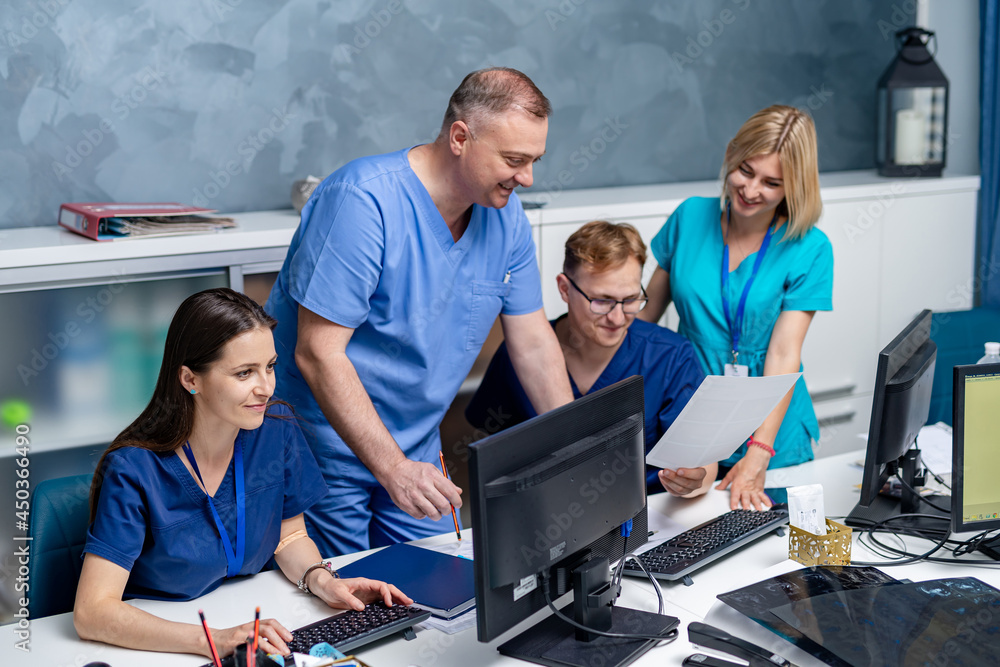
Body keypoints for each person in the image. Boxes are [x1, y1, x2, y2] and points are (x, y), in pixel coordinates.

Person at [265, 67, 574, 557]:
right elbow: (317, 353)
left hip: (416, 451)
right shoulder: (362, 202)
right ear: (460, 137)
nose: (528, 178)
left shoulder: (505, 215)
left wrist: (576, 446)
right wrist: (391, 468)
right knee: (346, 603)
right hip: (322, 449)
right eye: (514, 159)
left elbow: (533, 344)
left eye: (534, 160)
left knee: (439, 587)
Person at [74, 288, 411, 660]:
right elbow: (93, 612)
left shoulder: (275, 428)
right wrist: (213, 640)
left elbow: (290, 534)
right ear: (190, 379)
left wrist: (323, 581)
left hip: (253, 620)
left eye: (269, 366)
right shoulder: (134, 469)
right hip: (163, 646)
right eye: (244, 373)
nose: (265, 388)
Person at [638, 105, 833, 511]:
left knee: (772, 556)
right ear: (731, 155)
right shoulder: (689, 217)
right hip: (691, 411)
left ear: (794, 187)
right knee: (685, 543)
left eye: (772, 183)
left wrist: (760, 451)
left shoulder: (811, 248)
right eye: (745, 170)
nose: (751, 190)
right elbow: (642, 323)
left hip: (774, 431)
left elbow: (784, 353)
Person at [467, 220, 712, 497]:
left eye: (631, 299)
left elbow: (705, 466)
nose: (618, 318)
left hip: (652, 514)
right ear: (565, 289)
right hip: (549, 518)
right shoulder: (521, 353)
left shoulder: (669, 356)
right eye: (602, 301)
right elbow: (492, 456)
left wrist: (692, 483)